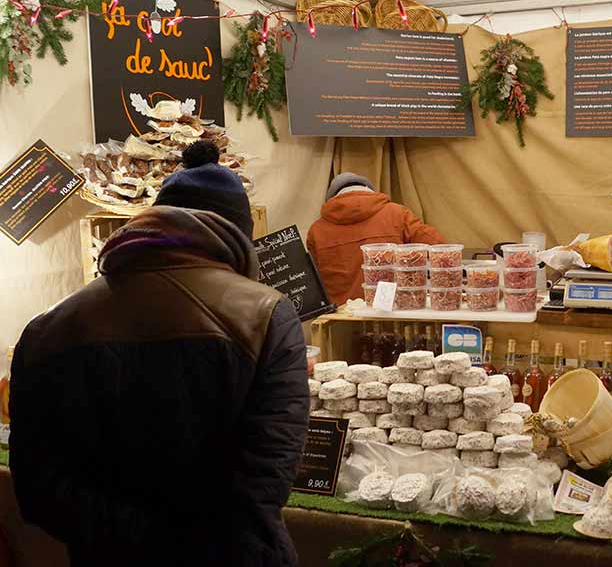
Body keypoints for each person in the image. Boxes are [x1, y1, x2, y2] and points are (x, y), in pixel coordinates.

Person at [9, 141, 309, 566]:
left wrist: (129, 537)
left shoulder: (48, 329)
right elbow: (267, 478)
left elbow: (38, 486)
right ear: (240, 234)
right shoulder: (265, 314)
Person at [308, 173, 445, 303]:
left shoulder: (316, 230)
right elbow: (439, 249)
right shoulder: (397, 214)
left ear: (332, 198)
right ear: (368, 190)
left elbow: (312, 283)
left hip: (340, 319)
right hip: (393, 312)